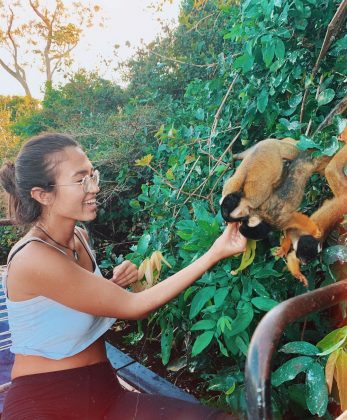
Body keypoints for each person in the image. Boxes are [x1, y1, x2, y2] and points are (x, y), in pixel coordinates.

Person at [0, 133, 247, 420]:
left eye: (93, 175)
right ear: (43, 195)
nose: (94, 187)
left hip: (104, 394)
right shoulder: (33, 257)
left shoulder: (79, 237)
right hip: (45, 403)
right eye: (81, 180)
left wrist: (110, 286)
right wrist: (215, 252)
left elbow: (74, 302)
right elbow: (133, 308)